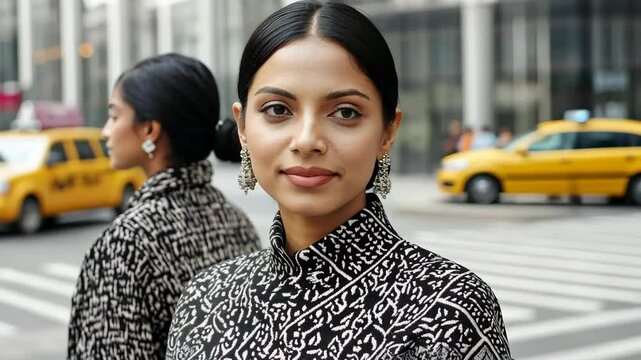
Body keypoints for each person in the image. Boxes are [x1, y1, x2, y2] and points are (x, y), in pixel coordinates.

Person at [166, 2, 512, 359]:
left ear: (387, 131)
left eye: (345, 112)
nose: (307, 140)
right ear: (242, 127)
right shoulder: (204, 299)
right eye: (277, 110)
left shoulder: (449, 311)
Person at [67, 53, 261, 360]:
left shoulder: (126, 244)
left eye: (115, 116)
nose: (105, 130)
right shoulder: (237, 222)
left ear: (149, 131)